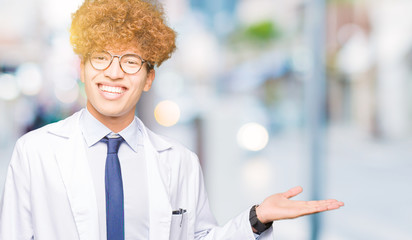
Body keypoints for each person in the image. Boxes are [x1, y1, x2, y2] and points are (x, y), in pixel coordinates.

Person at [0, 0, 344, 239]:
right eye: (101, 58)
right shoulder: (35, 154)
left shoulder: (179, 163)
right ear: (83, 68)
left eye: (131, 62)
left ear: (149, 77)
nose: (114, 73)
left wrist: (256, 219)